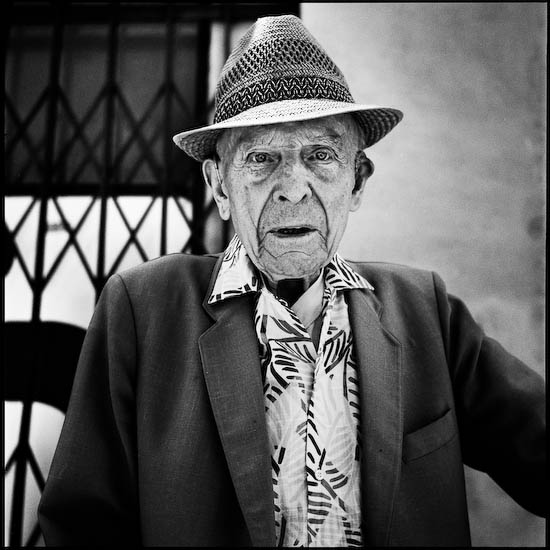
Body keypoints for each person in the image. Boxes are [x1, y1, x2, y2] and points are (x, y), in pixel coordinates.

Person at [38, 14, 545, 547]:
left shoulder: (426, 310)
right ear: (220, 186)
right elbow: (82, 523)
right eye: (261, 158)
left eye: (320, 156)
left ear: (356, 181)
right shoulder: (143, 310)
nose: (293, 188)